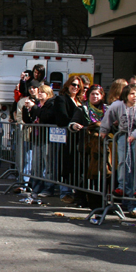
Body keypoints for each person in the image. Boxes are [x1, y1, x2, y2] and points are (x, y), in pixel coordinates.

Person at [100, 85, 136, 213]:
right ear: (125, 95)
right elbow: (108, 117)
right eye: (131, 94)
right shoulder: (117, 105)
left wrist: (135, 135)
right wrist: (104, 130)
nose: (134, 96)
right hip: (123, 135)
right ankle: (122, 187)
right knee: (123, 162)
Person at [53, 75, 85, 203]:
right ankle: (65, 192)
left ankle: (77, 191)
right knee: (65, 164)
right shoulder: (61, 99)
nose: (75, 87)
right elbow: (62, 118)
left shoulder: (80, 101)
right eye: (73, 84)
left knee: (78, 165)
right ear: (68, 85)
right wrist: (73, 124)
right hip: (67, 137)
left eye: (78, 85)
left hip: (80, 137)